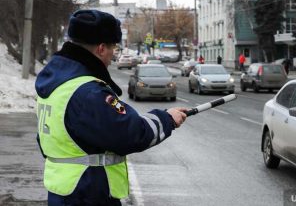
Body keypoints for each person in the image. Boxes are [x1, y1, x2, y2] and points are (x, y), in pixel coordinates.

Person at [35, 10, 187, 206]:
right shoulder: (89, 92)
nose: (113, 56)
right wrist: (167, 119)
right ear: (101, 48)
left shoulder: (58, 83)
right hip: (88, 193)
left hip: (62, 192)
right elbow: (129, 134)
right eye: (113, 49)